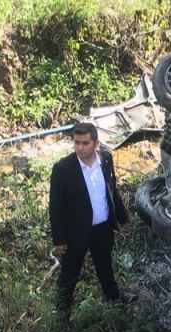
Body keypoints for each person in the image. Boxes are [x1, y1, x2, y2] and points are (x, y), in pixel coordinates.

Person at [49, 121, 133, 321]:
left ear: (95, 142)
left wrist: (122, 217)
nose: (80, 147)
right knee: (70, 273)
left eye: (85, 143)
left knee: (105, 265)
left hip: (102, 227)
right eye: (76, 142)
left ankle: (113, 296)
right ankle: (62, 315)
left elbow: (112, 190)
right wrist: (59, 239)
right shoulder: (63, 169)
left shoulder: (105, 159)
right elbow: (55, 207)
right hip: (75, 232)